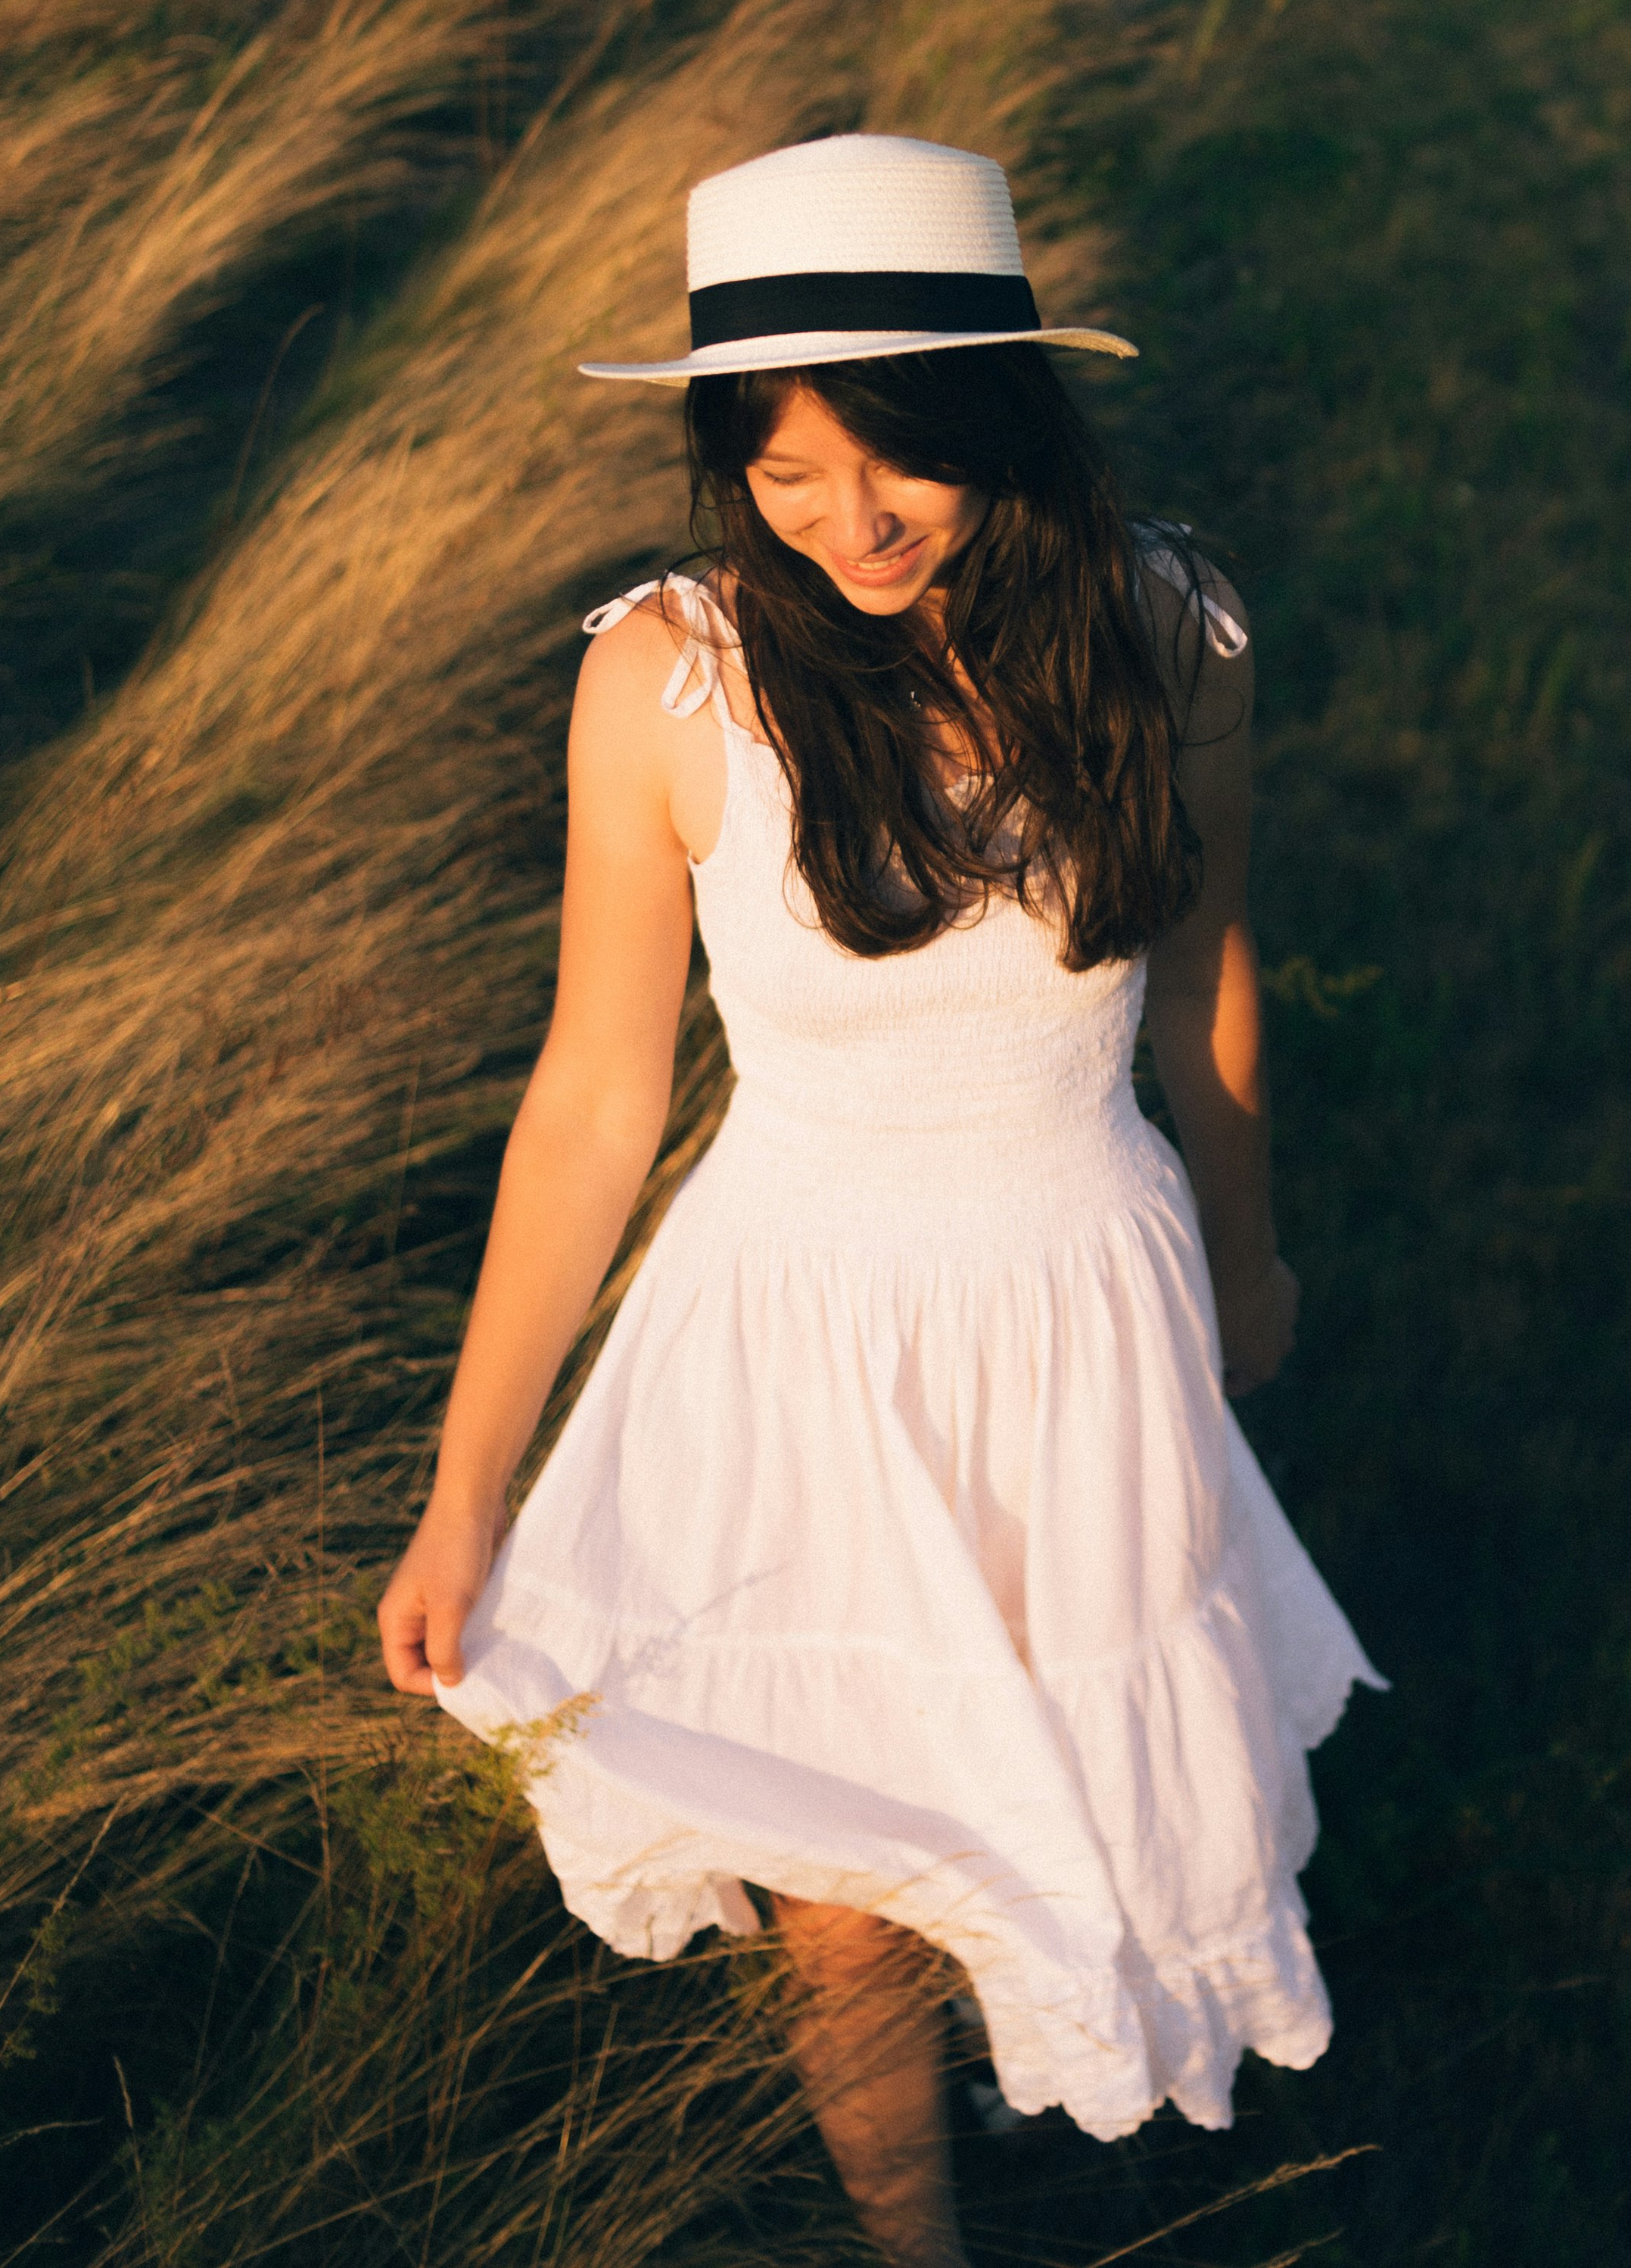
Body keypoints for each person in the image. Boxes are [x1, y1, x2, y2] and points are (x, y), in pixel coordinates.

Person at [378, 135, 1381, 2268]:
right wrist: (473, 1482)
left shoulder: (1170, 627)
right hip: (804, 1331)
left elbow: (1203, 964)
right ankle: (912, 2240)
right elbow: (588, 1098)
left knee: (1064, 1767)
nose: (846, 518)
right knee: (846, 1877)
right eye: (781, 467)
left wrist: (1248, 1248)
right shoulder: (669, 680)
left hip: (1078, 1296)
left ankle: (1038, 2058)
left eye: (892, 457)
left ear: (998, 416)